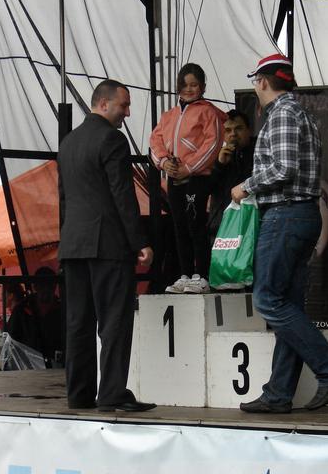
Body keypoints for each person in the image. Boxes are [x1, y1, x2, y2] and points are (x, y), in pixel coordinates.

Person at [231, 53, 328, 413]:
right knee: (288, 304)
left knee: (268, 300)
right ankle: (279, 393)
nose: (255, 87)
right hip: (299, 215)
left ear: (263, 81)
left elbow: (284, 168)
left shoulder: (282, 113)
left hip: (286, 215)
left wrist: (245, 186)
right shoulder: (301, 114)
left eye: (255, 81)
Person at [57, 79, 155, 412]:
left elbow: (64, 199)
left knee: (78, 323)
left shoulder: (68, 142)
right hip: (108, 244)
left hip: (74, 244)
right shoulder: (112, 139)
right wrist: (140, 241)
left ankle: (79, 394)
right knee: (114, 322)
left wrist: (67, 238)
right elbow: (122, 195)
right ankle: (112, 393)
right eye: (123, 105)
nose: (127, 113)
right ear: (103, 103)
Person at [150, 63, 227, 294]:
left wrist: (189, 168)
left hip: (197, 178)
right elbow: (155, 141)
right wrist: (164, 162)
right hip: (174, 178)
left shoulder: (208, 112)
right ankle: (184, 275)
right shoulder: (168, 116)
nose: (189, 89)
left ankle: (201, 275)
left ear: (202, 86)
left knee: (196, 225)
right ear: (178, 87)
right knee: (179, 226)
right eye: (185, 85)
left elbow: (212, 143)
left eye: (194, 85)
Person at [207, 109, 255, 245]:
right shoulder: (215, 155)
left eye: (238, 128)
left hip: (250, 225)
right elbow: (205, 189)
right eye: (227, 130)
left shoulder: (259, 153)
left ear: (249, 131)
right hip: (222, 227)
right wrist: (219, 165)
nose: (233, 134)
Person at [7, 267, 63, 367]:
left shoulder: (63, 309)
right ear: (35, 286)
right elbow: (12, 341)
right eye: (42, 285)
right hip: (27, 367)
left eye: (50, 285)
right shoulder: (21, 310)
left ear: (55, 286)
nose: (46, 289)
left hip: (58, 366)